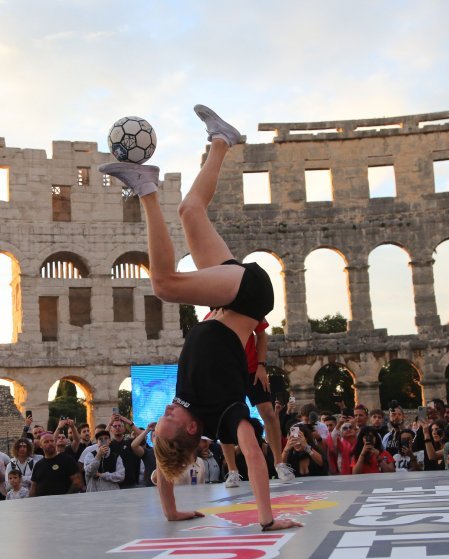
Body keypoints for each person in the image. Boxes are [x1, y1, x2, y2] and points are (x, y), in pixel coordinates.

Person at [100, 104, 301, 532]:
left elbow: (162, 464)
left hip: (228, 298)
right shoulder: (225, 412)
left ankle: (222, 139)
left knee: (191, 211)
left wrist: (171, 509)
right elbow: (252, 454)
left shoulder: (181, 413)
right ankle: (145, 188)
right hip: (248, 295)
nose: (164, 415)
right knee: (166, 285)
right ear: (191, 427)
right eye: (169, 422)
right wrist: (267, 518)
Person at [204, 310, 294, 487]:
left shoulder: (249, 307)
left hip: (253, 369)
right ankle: (232, 471)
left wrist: (261, 365)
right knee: (225, 419)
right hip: (228, 373)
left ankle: (279, 463)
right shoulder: (211, 318)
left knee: (268, 412)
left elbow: (261, 334)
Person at [30, 433, 81, 497]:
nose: (50, 443)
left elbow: (77, 482)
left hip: (64, 503)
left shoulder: (67, 460)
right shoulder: (38, 465)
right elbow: (33, 487)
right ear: (41, 445)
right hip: (43, 504)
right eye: (46, 442)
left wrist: (66, 498)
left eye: (52, 441)